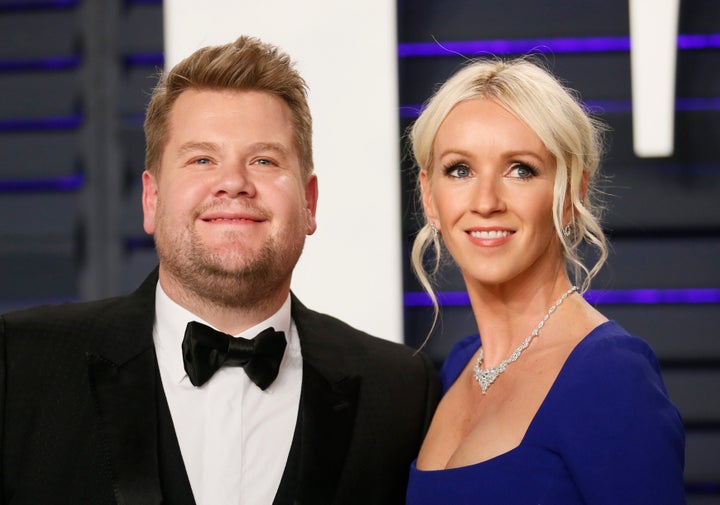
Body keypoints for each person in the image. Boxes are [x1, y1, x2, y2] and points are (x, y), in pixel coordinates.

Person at [0, 36, 440, 505]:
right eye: (202, 159)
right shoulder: (18, 365)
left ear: (309, 203)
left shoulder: (401, 391)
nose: (233, 182)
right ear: (151, 199)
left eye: (264, 160)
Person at [404, 58, 685, 504]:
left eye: (520, 169)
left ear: (572, 192)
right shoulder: (459, 368)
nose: (486, 201)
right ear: (428, 195)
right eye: (460, 169)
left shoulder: (610, 374)